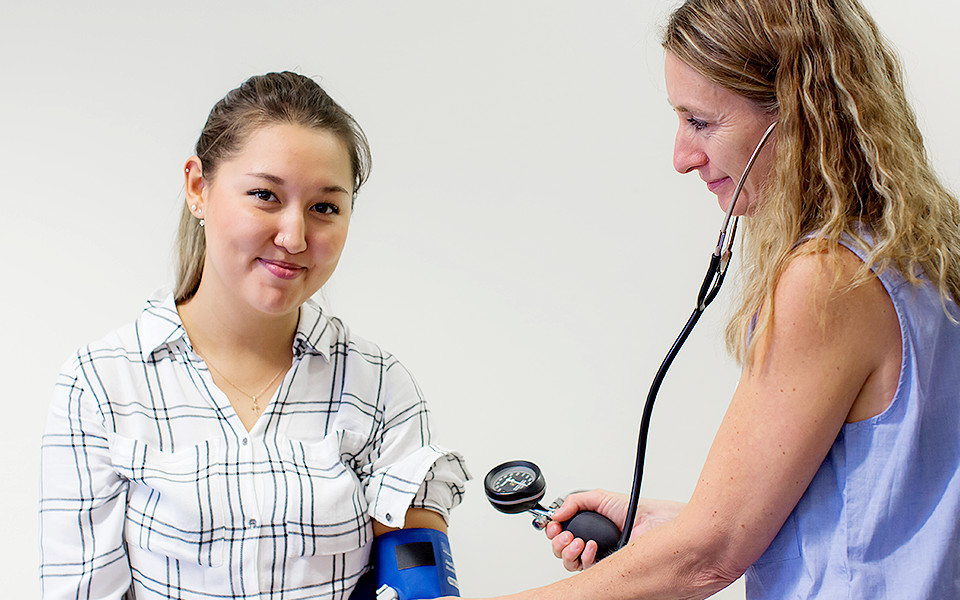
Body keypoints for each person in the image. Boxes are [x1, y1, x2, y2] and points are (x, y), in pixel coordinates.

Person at [455, 0, 960, 599]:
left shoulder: (827, 279)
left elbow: (707, 560)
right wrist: (670, 523)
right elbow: (879, 508)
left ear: (796, 115)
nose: (681, 157)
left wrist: (695, 536)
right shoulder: (919, 252)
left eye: (699, 122)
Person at [39, 72, 469, 599]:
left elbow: (418, 587)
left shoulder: (379, 386)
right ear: (199, 188)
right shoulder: (101, 384)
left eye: (325, 207)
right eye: (265, 195)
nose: (293, 236)